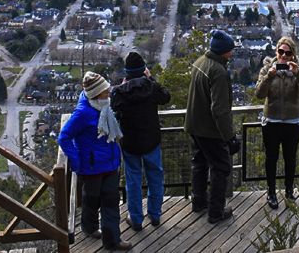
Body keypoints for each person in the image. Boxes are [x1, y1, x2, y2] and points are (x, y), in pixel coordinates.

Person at [58, 71, 132, 251]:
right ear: (95, 94)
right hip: (91, 167)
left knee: (110, 203)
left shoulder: (104, 105)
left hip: (110, 163)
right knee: (91, 199)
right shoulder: (83, 113)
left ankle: (112, 241)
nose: (109, 93)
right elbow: (64, 137)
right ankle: (89, 227)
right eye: (105, 91)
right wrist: (76, 160)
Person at [111, 51, 171, 231]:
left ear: (127, 72)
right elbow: (166, 96)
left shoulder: (120, 92)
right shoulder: (151, 88)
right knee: (155, 177)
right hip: (151, 139)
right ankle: (155, 214)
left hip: (130, 142)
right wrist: (151, 79)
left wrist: (123, 85)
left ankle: (136, 218)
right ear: (143, 70)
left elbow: (113, 107)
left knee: (133, 180)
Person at [184, 29, 239, 223]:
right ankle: (216, 212)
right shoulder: (219, 71)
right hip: (209, 129)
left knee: (199, 163)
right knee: (221, 167)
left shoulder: (200, 62)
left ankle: (198, 201)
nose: (232, 53)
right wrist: (229, 136)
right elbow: (220, 110)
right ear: (223, 51)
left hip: (193, 124)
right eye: (231, 50)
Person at [255, 36, 299, 209]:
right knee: (271, 158)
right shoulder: (267, 68)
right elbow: (258, 94)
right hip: (271, 121)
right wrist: (269, 76)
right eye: (281, 52)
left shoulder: (298, 70)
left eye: (288, 53)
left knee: (290, 158)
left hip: (293, 122)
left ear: (293, 54)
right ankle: (271, 192)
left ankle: (289, 191)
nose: (284, 56)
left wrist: (298, 74)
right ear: (276, 52)